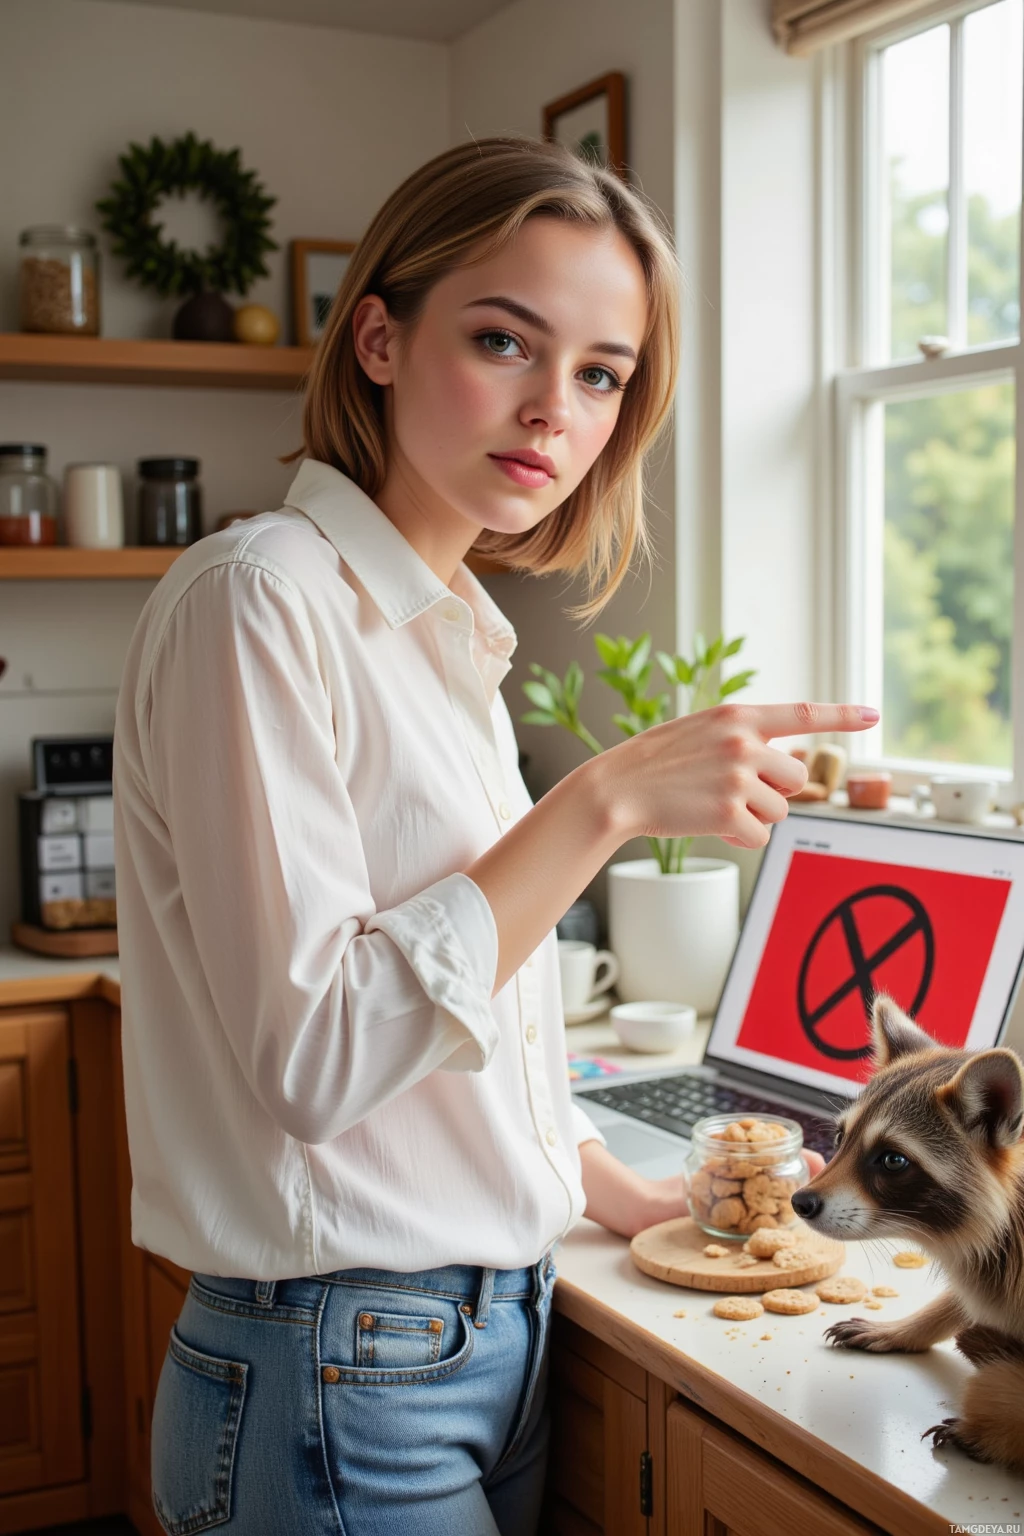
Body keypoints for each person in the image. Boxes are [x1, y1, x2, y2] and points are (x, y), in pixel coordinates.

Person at [113, 134, 874, 1536]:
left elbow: (473, 1036)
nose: (554, 411)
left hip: (482, 1345)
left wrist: (616, 1191)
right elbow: (321, 1056)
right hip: (338, 1370)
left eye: (601, 374)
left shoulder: (450, 634)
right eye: (504, 341)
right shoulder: (258, 599)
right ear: (379, 339)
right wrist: (602, 803)